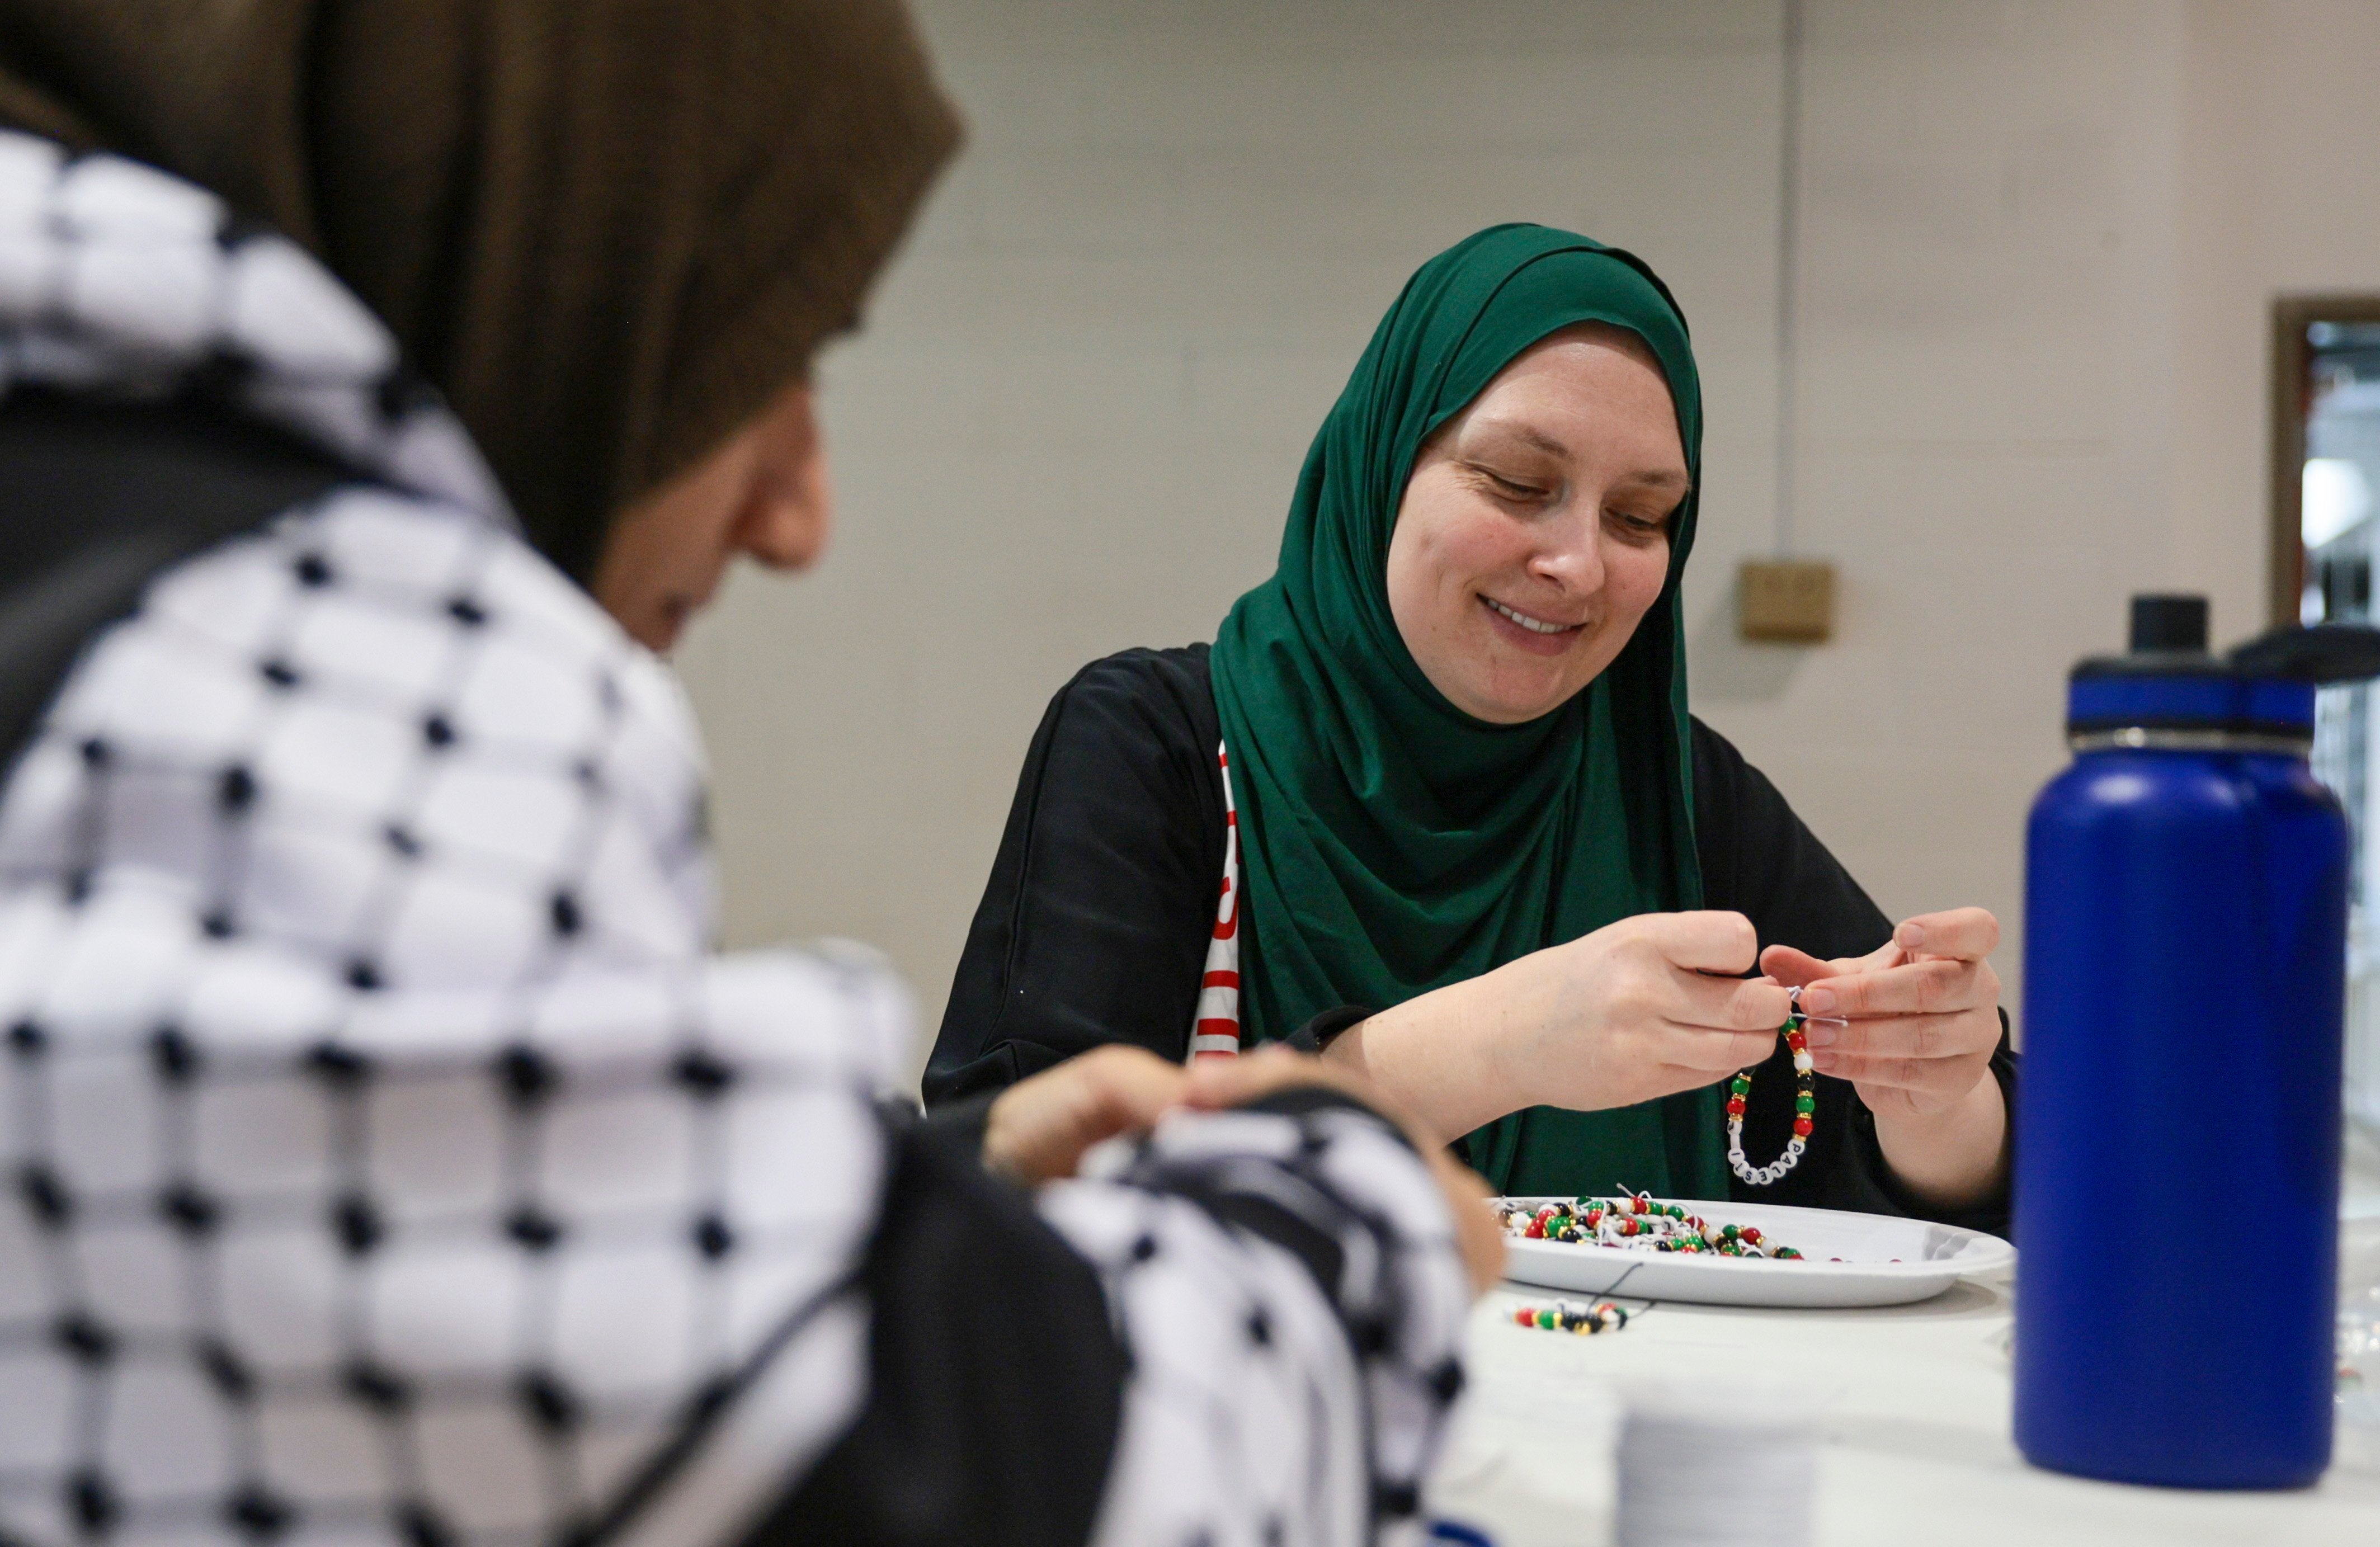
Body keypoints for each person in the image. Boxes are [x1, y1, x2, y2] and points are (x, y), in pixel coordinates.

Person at [0, 5, 1497, 1547]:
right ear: (557, 262)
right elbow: (940, 1480)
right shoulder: (321, 660)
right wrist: (1343, 1213)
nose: (799, 515)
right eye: (752, 346)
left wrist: (903, 1201)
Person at [927, 225, 2015, 1228]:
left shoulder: (1674, 790)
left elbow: (1964, 1187)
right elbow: (1005, 1187)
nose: (1579, 564)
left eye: (1640, 518)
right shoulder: (1158, 749)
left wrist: (1932, 1094)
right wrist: (1495, 1044)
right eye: (1514, 481)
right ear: (1381, 467)